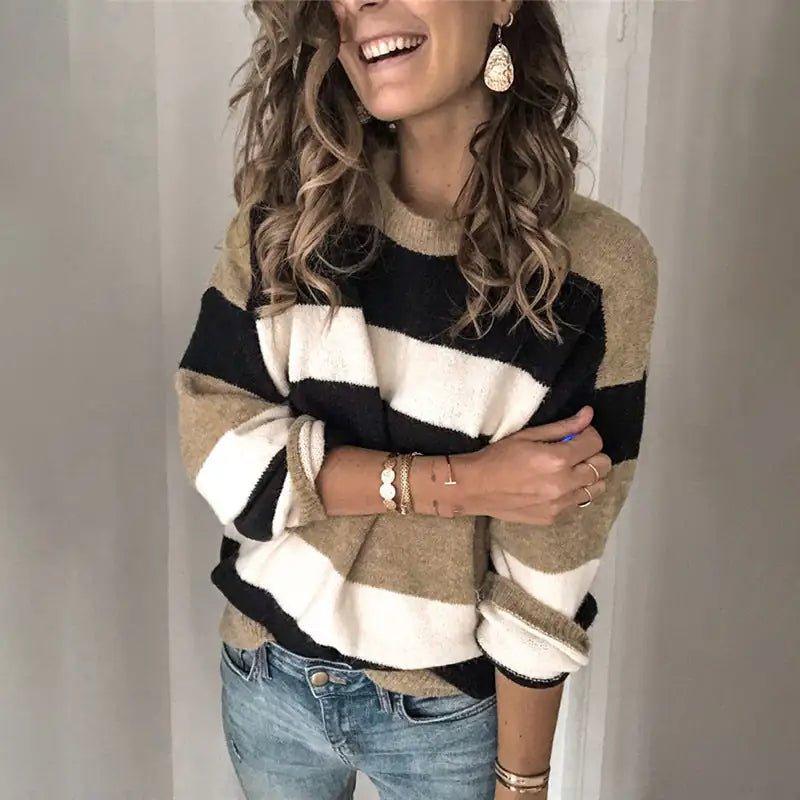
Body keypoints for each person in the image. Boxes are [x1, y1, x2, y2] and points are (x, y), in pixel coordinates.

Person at [173, 0, 659, 798]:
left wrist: (522, 783)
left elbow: (549, 566)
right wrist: (457, 483)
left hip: (445, 721)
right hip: (267, 673)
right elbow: (219, 450)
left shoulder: (595, 271)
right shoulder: (288, 216)